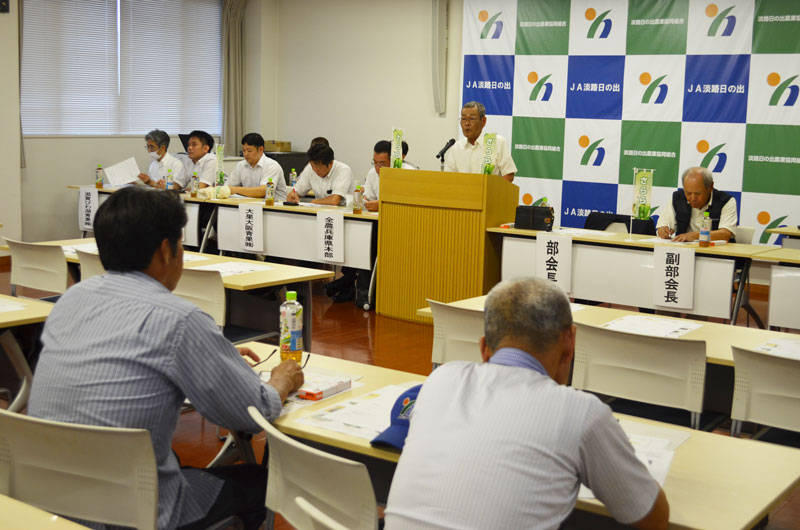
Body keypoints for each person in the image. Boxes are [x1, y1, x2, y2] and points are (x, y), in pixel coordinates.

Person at [27, 187, 304, 530]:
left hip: (50, 502)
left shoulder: (71, 300)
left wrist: (210, 354)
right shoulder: (180, 319)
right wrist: (281, 381)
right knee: (262, 482)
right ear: (165, 250)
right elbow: (252, 412)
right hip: (137, 512)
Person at [384, 278, 670, 530]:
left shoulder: (439, 380)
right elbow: (653, 518)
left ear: (484, 348)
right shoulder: (581, 413)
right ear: (570, 342)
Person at [656, 167, 737, 242]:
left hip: (716, 253)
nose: (692, 198)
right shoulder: (678, 197)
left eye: (697, 194)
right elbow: (662, 225)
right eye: (688, 193)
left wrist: (695, 235)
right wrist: (663, 230)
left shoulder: (726, 201)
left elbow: (725, 234)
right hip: (684, 251)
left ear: (710, 187)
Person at [444, 101, 517, 182]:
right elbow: (449, 179)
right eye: (463, 119)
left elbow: (508, 175)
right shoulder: (456, 148)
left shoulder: (497, 142)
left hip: (490, 194)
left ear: (483, 121)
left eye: (471, 119)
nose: (467, 123)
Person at [286, 143, 352, 206]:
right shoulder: (310, 168)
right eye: (313, 166)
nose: (315, 170)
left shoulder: (343, 170)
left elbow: (334, 200)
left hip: (343, 214)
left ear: (330, 163)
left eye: (319, 168)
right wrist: (293, 196)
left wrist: (314, 202)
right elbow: (294, 192)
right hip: (318, 212)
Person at [228, 132, 287, 202]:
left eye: (249, 150)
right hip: (250, 205)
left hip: (275, 208)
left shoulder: (272, 166)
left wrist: (235, 190)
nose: (245, 154)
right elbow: (229, 186)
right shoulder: (240, 165)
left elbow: (263, 191)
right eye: (243, 150)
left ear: (260, 149)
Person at [363, 139, 416, 212]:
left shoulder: (409, 173)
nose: (377, 167)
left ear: (392, 160)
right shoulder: (372, 173)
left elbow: (411, 203)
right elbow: (368, 200)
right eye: (375, 162)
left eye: (382, 164)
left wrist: (383, 205)